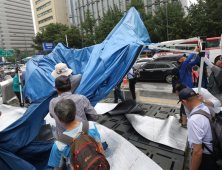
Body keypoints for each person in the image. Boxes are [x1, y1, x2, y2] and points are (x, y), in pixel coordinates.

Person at [48, 99, 104, 170]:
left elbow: (58, 169)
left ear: (59, 119)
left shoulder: (59, 145)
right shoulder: (91, 126)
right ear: (76, 111)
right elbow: (100, 148)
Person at [178, 88, 219, 170]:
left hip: (206, 159)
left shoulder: (194, 120)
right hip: (215, 152)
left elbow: (198, 152)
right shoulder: (207, 109)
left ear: (185, 102)